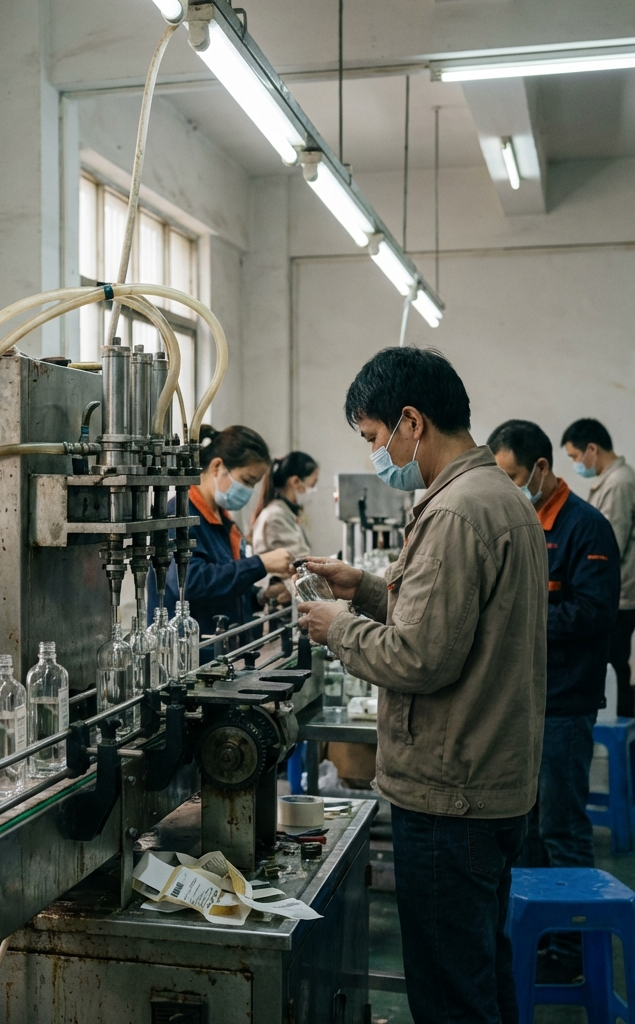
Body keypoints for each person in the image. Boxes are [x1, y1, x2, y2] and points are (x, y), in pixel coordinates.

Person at [296, 347, 547, 1024]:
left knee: (448, 997)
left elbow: (420, 659)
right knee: (481, 978)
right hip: (491, 784)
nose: (377, 454)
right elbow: (463, 624)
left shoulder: (455, 511)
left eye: (374, 439)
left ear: (411, 421)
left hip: (448, 796)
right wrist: (370, 589)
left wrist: (336, 625)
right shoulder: (501, 497)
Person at [489, 419, 620, 981]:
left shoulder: (586, 529)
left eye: (513, 476)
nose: (508, 488)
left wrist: (520, 618)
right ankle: (536, 940)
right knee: (525, 827)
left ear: (541, 469)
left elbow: (593, 614)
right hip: (523, 702)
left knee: (562, 829)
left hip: (565, 703)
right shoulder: (518, 522)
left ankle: (571, 953)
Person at [147, 425, 293, 657]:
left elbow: (224, 581)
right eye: (246, 480)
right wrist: (260, 564)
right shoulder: (179, 515)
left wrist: (259, 596)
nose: (248, 491)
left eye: (254, 484)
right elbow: (190, 583)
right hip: (188, 659)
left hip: (222, 654)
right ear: (217, 467)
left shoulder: (223, 522)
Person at [561, 418, 635, 718]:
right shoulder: (612, 481)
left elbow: (607, 546)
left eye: (575, 457)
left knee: (615, 668)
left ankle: (622, 735)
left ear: (592, 448)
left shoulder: (619, 484)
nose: (577, 464)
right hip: (616, 594)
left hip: (619, 597)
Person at [251, 451, 319, 559]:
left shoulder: (286, 513)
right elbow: (298, 560)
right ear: (296, 482)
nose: (314, 490)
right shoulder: (275, 516)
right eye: (312, 484)